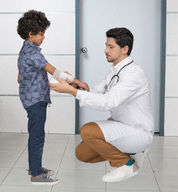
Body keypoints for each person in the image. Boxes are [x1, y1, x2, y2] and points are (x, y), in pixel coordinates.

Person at [50, 27, 154, 182]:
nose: (105, 50)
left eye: (110, 47)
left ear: (125, 49)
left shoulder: (134, 73)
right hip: (121, 127)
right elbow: (97, 92)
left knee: (88, 131)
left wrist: (73, 93)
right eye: (106, 45)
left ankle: (126, 164)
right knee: (82, 153)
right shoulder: (115, 72)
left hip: (137, 131)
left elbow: (108, 102)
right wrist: (75, 86)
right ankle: (128, 153)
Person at [17, 10, 89, 185]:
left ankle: (34, 168)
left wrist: (39, 82)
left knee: (35, 134)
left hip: (30, 99)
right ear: (31, 34)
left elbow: (20, 77)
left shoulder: (25, 51)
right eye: (41, 34)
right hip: (35, 102)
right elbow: (53, 71)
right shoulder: (33, 52)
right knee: (37, 137)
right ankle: (36, 176)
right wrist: (77, 81)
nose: (43, 37)